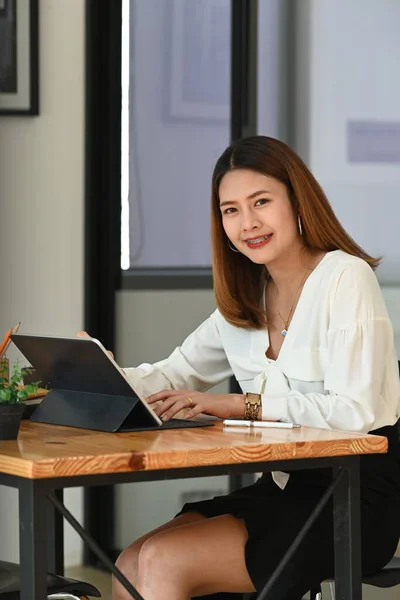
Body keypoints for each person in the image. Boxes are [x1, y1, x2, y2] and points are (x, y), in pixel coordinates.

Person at [107, 136, 400, 600]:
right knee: (129, 563)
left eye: (261, 202)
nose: (248, 223)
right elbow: (172, 374)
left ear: (297, 201)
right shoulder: (244, 301)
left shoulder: (345, 277)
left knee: (163, 562)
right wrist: (90, 373)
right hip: (283, 488)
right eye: (231, 210)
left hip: (354, 495)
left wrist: (235, 404)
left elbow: (355, 412)